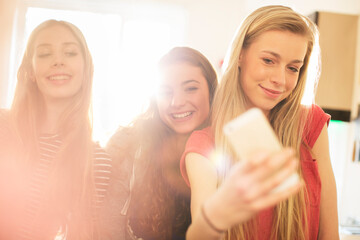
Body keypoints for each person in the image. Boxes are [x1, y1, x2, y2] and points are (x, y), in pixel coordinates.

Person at [180, 5, 339, 240]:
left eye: (293, 68)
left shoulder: (311, 125)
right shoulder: (204, 146)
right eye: (268, 60)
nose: (280, 79)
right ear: (241, 55)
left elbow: (330, 236)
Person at [0, 20, 113, 239]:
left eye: (70, 53)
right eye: (44, 54)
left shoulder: (97, 161)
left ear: (86, 69)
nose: (58, 61)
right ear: (31, 71)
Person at [105, 46, 218, 240]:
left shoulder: (225, 148)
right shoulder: (127, 145)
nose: (177, 102)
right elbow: (106, 228)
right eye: (166, 92)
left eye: (190, 88)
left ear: (212, 92)